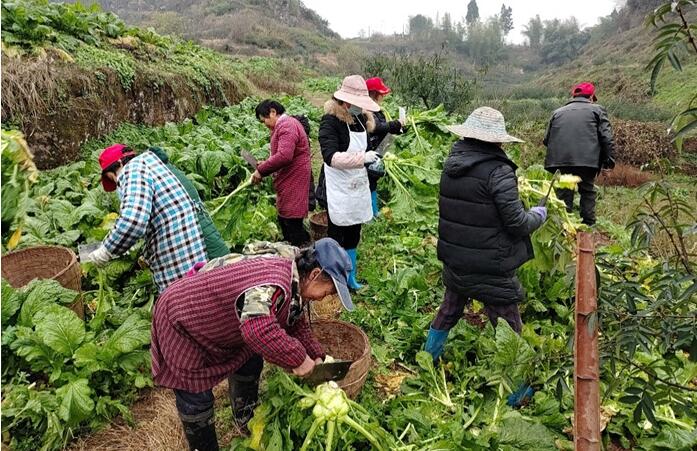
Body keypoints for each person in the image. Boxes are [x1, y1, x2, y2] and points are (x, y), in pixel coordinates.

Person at [150, 238, 354, 451]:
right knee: (194, 393)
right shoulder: (274, 280)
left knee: (249, 357)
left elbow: (293, 319)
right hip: (183, 317)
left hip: (224, 316)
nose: (324, 298)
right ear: (315, 275)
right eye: (329, 292)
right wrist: (299, 360)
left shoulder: (297, 271)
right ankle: (203, 445)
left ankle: (244, 416)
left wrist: (315, 355)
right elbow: (258, 331)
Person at [425, 107, 547, 362]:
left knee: (449, 308)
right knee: (507, 323)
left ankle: (427, 359)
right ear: (497, 139)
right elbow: (517, 223)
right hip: (490, 264)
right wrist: (538, 214)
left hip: (456, 257)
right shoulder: (498, 171)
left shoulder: (451, 164)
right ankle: (517, 389)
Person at [81, 144, 207, 293]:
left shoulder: (131, 171)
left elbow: (133, 222)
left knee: (184, 309)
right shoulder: (149, 164)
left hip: (181, 268)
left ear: (120, 164)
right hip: (194, 258)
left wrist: (105, 251)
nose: (117, 183)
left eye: (113, 178)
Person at [316, 75, 380, 290]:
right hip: (338, 188)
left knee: (354, 231)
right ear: (345, 101)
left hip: (357, 184)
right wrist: (363, 158)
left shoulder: (360, 119)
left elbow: (366, 147)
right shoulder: (330, 121)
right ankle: (334, 278)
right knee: (337, 234)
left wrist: (374, 162)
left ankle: (350, 275)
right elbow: (331, 157)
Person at [543, 82, 615, 226]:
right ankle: (588, 227)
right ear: (591, 97)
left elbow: (546, 140)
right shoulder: (598, 110)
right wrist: (608, 162)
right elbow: (606, 138)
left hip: (561, 161)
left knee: (564, 193)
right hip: (587, 161)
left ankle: (563, 228)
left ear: (573, 96)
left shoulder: (557, 112)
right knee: (587, 191)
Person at [149, 146, 229, 260]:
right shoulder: (170, 170)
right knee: (222, 259)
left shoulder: (156, 178)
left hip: (198, 243)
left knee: (216, 266)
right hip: (206, 231)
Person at [253, 100, 313, 247]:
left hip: (294, 177)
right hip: (289, 176)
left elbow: (285, 156)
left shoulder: (287, 125)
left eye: (264, 120)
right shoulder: (284, 125)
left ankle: (303, 250)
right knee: (287, 216)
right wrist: (266, 163)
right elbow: (281, 153)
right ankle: (298, 246)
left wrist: (261, 170)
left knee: (292, 219)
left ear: (273, 112)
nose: (265, 124)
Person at [365, 77, 405, 217]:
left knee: (372, 181)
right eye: (382, 93)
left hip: (378, 150)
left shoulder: (377, 109)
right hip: (368, 152)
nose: (383, 96)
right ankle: (370, 214)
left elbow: (384, 129)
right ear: (375, 94)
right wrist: (393, 125)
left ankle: (373, 211)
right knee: (369, 181)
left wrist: (400, 128)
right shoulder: (365, 109)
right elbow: (375, 128)